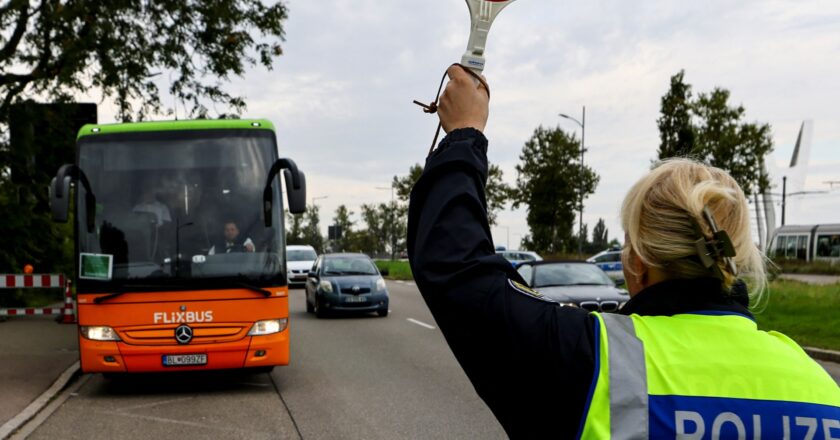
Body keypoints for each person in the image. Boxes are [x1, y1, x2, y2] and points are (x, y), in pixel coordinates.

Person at [407, 65, 840, 438]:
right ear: (735, 256)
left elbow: (459, 270)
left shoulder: (593, 358)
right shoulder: (817, 386)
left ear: (637, 262)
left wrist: (465, 134)